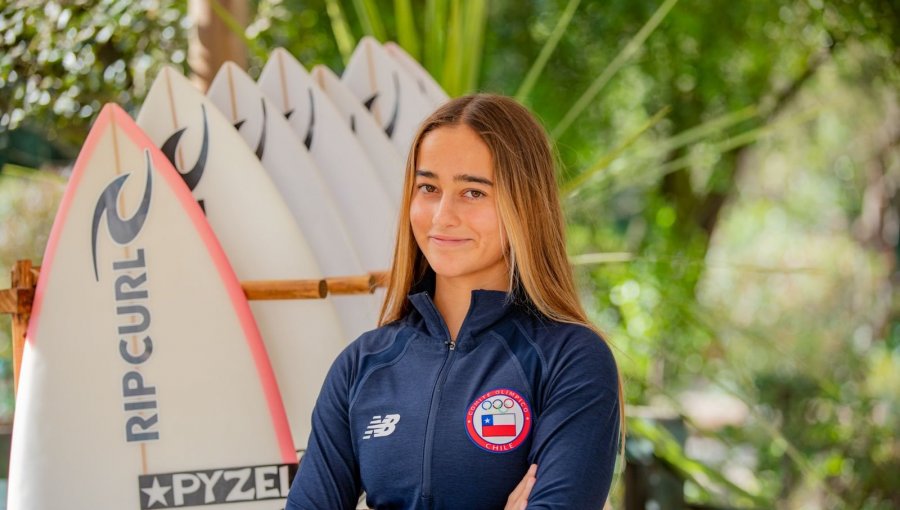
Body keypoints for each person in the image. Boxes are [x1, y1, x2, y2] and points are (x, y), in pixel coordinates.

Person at [286, 94, 624, 509]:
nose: (442, 215)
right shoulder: (362, 365)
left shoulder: (570, 359)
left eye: (473, 192)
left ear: (526, 205)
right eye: (428, 188)